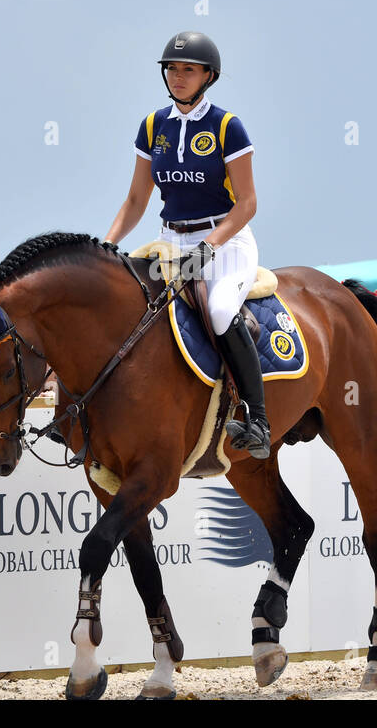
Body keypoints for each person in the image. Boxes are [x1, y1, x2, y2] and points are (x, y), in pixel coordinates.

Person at [103, 31, 270, 457]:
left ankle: (257, 419)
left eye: (188, 70)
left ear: (207, 76)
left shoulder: (227, 127)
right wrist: (105, 246)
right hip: (170, 241)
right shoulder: (153, 125)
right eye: (172, 69)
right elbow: (137, 199)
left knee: (217, 310)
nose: (178, 77)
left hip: (225, 240)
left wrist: (209, 247)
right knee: (134, 308)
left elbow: (247, 203)